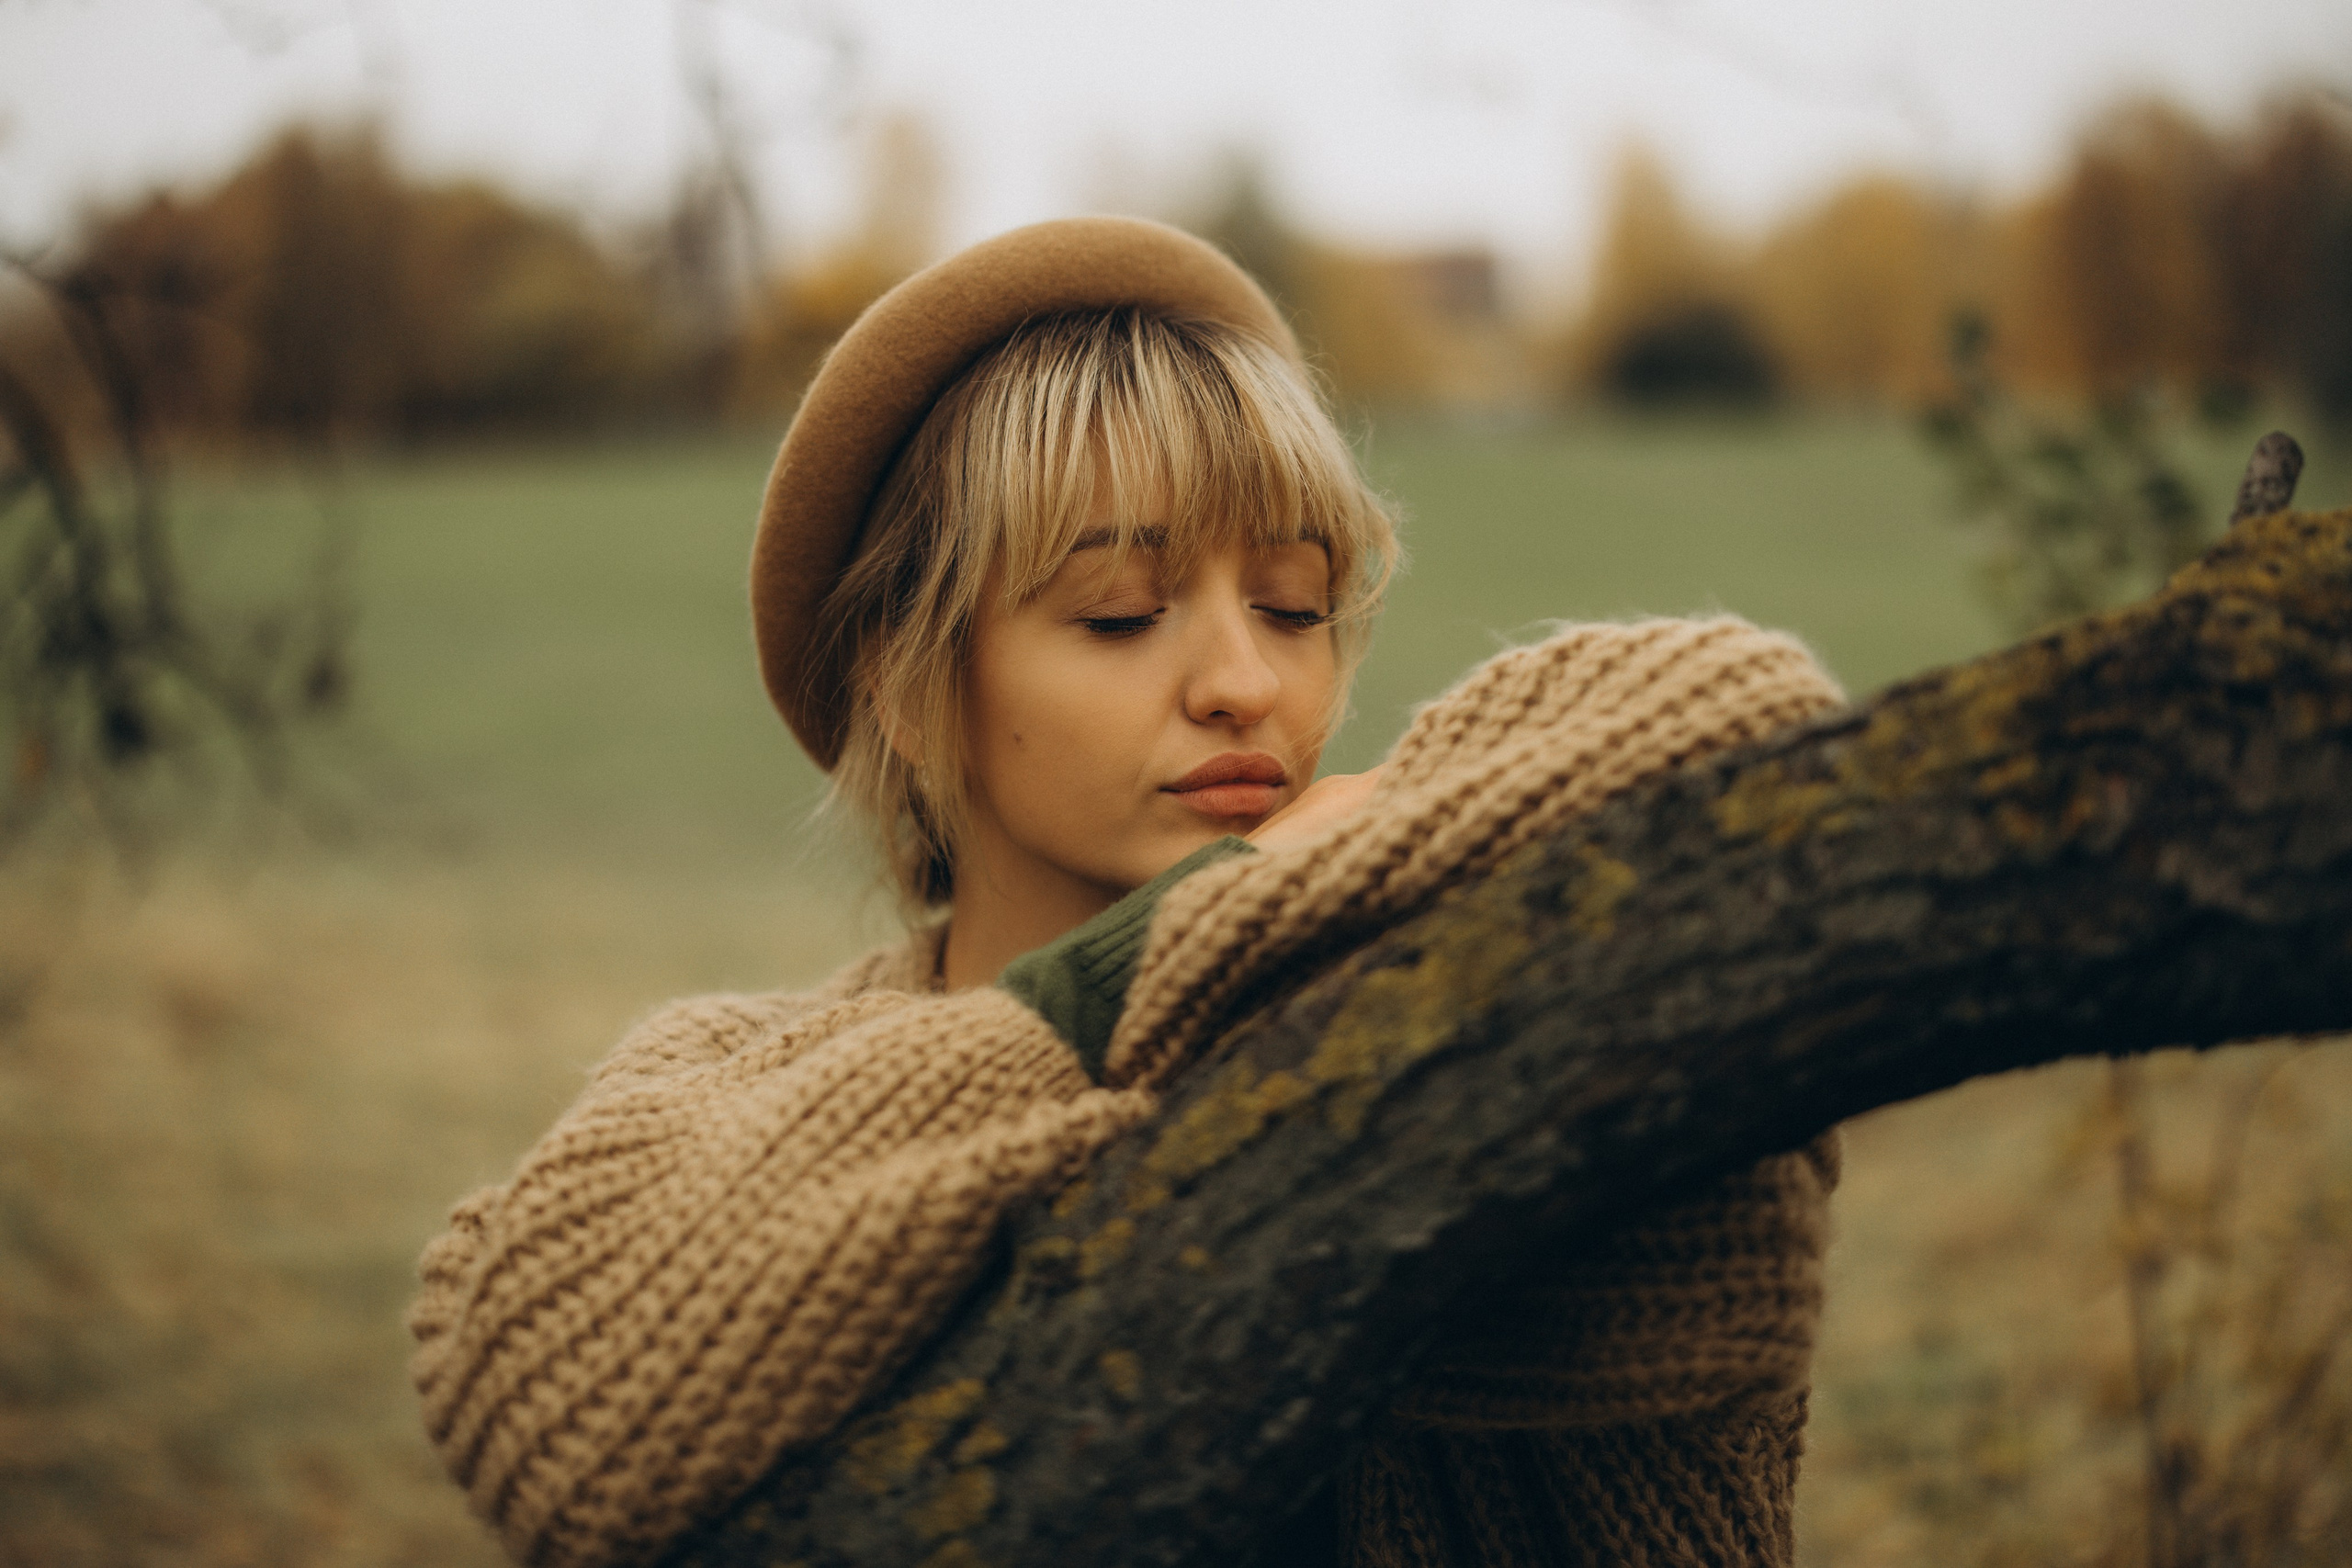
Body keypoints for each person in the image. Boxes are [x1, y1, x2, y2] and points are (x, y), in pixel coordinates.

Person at [408, 217, 1848, 1568]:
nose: (1247, 684)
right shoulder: (728, 1088)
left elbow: (1752, 728)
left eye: (1294, 604)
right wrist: (1175, 956)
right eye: (1119, 613)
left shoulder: (1449, 1014)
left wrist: (1332, 896)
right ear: (908, 689)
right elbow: (537, 1394)